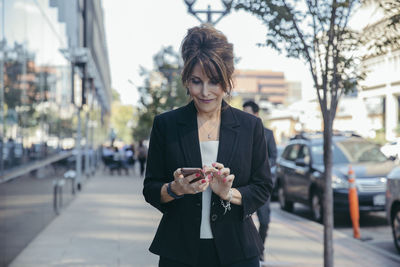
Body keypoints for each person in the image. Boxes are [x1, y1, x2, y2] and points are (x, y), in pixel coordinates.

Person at [143, 24, 273, 267]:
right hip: (179, 251)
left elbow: (263, 187)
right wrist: (175, 189)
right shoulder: (166, 125)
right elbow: (150, 187)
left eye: (214, 82)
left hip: (238, 251)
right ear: (186, 80)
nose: (205, 92)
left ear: (227, 80)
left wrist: (228, 193)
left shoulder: (250, 126)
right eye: (196, 81)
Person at [243, 100, 278, 262]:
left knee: (264, 221)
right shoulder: (239, 132)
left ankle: (260, 248)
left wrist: (260, 167)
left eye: (248, 113)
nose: (245, 116)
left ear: (256, 115)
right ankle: (250, 250)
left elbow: (273, 157)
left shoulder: (268, 134)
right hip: (243, 185)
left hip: (261, 184)